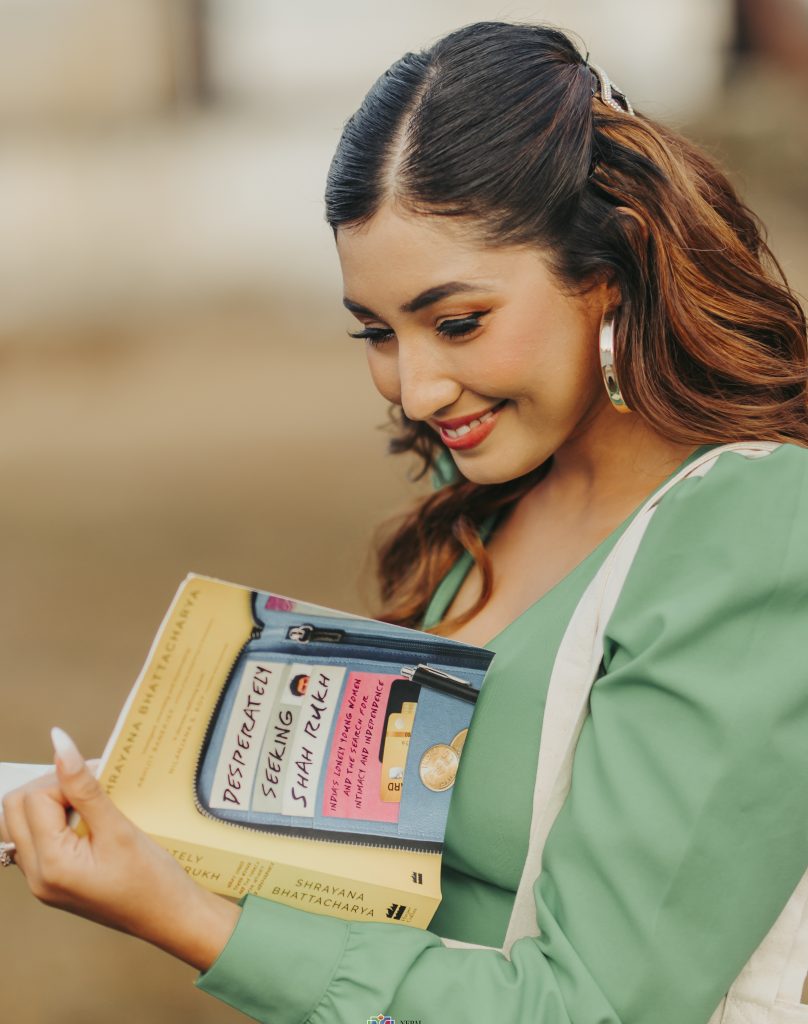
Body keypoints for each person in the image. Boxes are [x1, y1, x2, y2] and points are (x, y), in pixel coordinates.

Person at [2, 20, 807, 1024]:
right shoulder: (491, 497)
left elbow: (595, 1006)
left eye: (457, 320)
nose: (416, 387)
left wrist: (195, 920)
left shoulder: (753, 530)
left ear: (608, 268)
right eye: (377, 332)